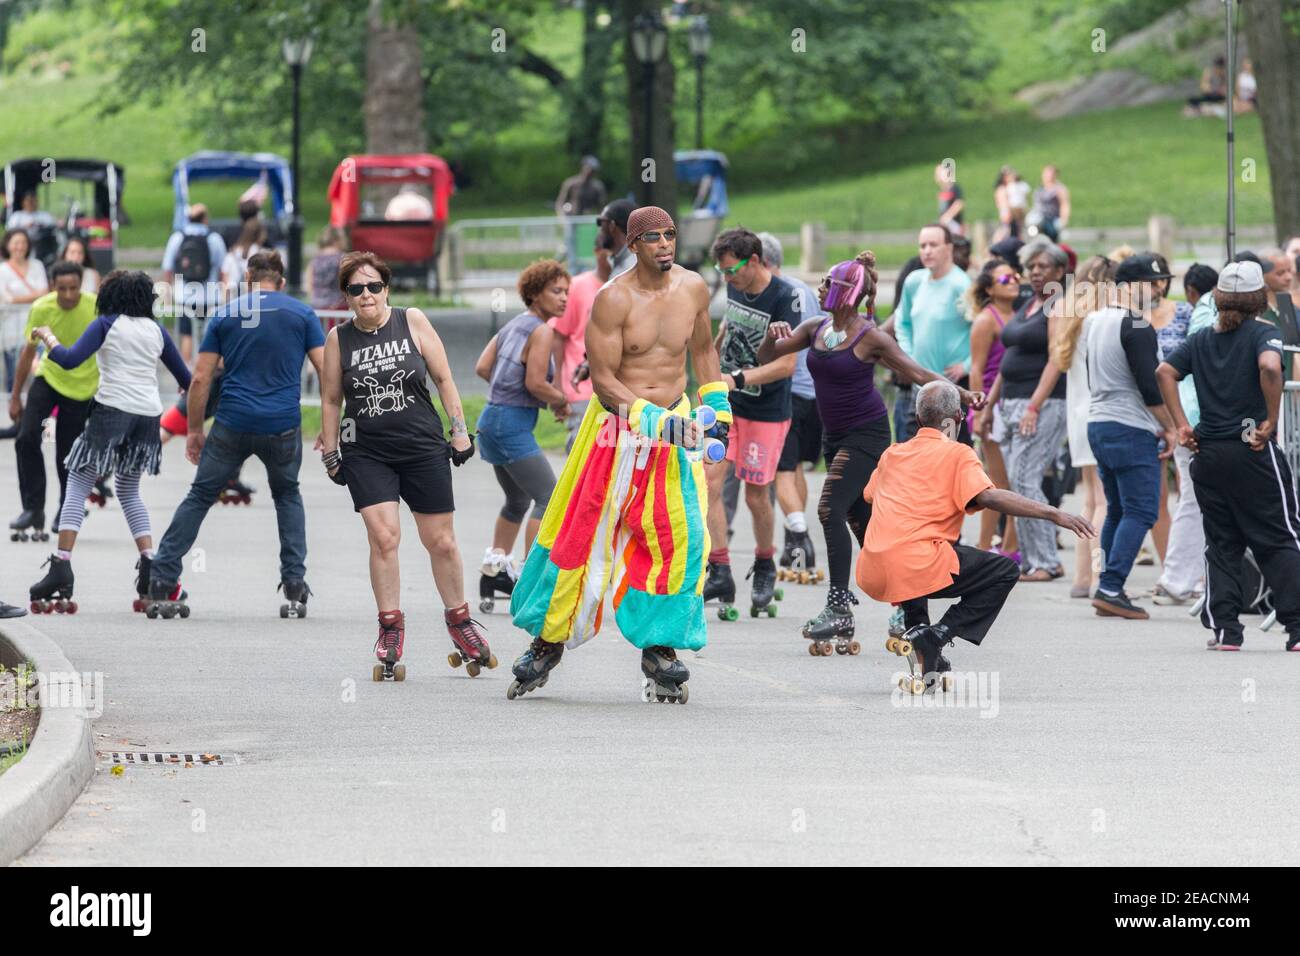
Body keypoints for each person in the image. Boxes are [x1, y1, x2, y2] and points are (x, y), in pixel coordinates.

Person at [507, 206, 731, 704]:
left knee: (682, 539)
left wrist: (718, 406)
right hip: (616, 433)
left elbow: (703, 353)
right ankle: (546, 643)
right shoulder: (612, 300)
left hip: (675, 431)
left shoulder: (694, 288)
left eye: (671, 235)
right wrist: (654, 420)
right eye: (654, 237)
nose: (666, 244)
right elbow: (606, 384)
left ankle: (661, 647)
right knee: (579, 538)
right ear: (634, 244)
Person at [758, 254, 984, 650]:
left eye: (829, 283)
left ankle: (838, 606)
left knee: (828, 508)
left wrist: (962, 394)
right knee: (865, 524)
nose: (821, 288)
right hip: (835, 437)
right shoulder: (815, 328)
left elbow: (917, 372)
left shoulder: (870, 338)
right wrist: (769, 336)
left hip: (867, 435)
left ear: (847, 292)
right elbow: (767, 357)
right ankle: (908, 602)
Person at [857, 381, 1094, 690]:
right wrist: (1054, 513)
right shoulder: (958, 454)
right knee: (1003, 570)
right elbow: (989, 497)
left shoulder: (892, 455)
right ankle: (936, 634)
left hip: (872, 569)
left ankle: (926, 651)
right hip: (915, 565)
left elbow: (870, 496)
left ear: (917, 419)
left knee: (921, 548)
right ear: (955, 418)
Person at [318, 252, 484, 680]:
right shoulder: (339, 339)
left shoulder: (411, 321)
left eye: (374, 286)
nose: (366, 295)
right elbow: (332, 399)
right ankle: (390, 628)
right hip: (366, 451)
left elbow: (444, 378)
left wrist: (459, 430)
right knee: (384, 536)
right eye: (356, 290)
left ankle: (460, 623)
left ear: (386, 289)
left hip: (422, 446)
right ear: (346, 297)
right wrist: (331, 449)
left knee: (440, 541)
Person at [149, 252, 325, 618]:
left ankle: (163, 578)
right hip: (283, 426)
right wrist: (329, 424)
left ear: (247, 277)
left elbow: (199, 379)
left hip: (233, 422)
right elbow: (327, 371)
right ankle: (294, 583)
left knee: (199, 496)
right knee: (288, 495)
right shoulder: (302, 314)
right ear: (281, 279)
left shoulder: (226, 313)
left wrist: (195, 430)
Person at [26, 271, 192, 613]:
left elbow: (69, 361)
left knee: (78, 479)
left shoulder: (106, 324)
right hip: (147, 417)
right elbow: (187, 379)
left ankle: (61, 565)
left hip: (112, 411)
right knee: (129, 490)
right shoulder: (156, 330)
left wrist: (48, 337)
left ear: (110, 297)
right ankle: (150, 568)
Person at [1156, 261, 1300, 652]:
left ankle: (1227, 631)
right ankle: (1297, 627)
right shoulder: (1264, 333)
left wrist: (1182, 425)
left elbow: (1165, 371)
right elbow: (1270, 367)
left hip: (1208, 451)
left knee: (1221, 542)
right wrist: (1270, 420)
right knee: (1279, 538)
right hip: (1251, 448)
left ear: (1217, 298)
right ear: (1259, 300)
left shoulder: (1201, 338)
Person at [706, 227, 798, 619]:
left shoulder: (785, 298)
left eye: (731, 271)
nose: (727, 278)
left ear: (755, 261)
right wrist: (709, 364)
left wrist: (739, 378)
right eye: (722, 271)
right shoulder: (734, 287)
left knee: (756, 496)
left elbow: (787, 362)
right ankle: (720, 568)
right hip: (727, 404)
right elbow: (728, 328)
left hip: (765, 410)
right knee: (708, 484)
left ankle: (764, 565)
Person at [1083, 253, 1180, 620]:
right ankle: (1110, 587)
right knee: (1140, 509)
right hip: (1130, 425)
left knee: (1117, 509)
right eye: (1151, 283)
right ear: (1126, 286)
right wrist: (1170, 427)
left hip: (1099, 422)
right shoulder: (1137, 326)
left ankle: (1107, 584)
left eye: (1160, 283)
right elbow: (1149, 388)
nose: (1158, 289)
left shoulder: (1094, 320)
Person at [473, 259, 569, 614]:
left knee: (516, 500)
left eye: (566, 293)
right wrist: (560, 400)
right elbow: (535, 383)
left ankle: (495, 570)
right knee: (549, 496)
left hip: (491, 419)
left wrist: (508, 392)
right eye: (555, 291)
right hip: (511, 424)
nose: (563, 299)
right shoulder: (541, 331)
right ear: (535, 293)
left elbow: (484, 367)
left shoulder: (513, 325)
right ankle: (533, 577)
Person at [979, 236, 1071, 581]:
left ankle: (1047, 561)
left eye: (1043, 266)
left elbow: (1057, 360)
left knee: (1025, 479)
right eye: (1031, 266)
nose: (1035, 272)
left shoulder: (1058, 306)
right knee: (1018, 482)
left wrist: (1035, 405)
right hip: (1011, 401)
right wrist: (989, 405)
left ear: (1060, 271)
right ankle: (1034, 560)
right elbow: (1008, 359)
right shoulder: (1027, 304)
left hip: (1044, 403)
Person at [8, 260, 98, 541]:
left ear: (81, 285)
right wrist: (15, 397)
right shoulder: (42, 308)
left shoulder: (95, 306)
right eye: (62, 289)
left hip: (83, 386)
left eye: (73, 288)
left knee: (67, 454)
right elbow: (27, 354)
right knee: (26, 437)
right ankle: (33, 508)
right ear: (52, 286)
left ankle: (65, 509)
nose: (69, 295)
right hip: (48, 378)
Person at [757, 231, 823, 576]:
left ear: (764, 263)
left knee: (781, 470)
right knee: (795, 466)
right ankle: (796, 534)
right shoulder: (804, 289)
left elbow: (784, 350)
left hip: (790, 389)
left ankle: (801, 544)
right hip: (813, 390)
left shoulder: (780, 295)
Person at [1151, 262, 1218, 605]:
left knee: (1193, 499)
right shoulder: (1209, 312)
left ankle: (1184, 577)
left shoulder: (1199, 311)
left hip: (1190, 417)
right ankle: (1179, 578)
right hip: (1199, 418)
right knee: (1195, 500)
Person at [1051, 254, 1115, 599]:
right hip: (1101, 410)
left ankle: (1081, 576)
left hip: (1078, 413)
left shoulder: (1069, 315)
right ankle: (1097, 576)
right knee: (1103, 500)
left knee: (1089, 499)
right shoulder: (1102, 319)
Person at [893, 223, 973, 443]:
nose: (927, 250)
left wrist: (967, 364)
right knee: (914, 453)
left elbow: (982, 328)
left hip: (952, 388)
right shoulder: (914, 282)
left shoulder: (961, 285)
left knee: (949, 456)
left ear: (949, 248)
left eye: (933, 245)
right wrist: (909, 358)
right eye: (922, 245)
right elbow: (903, 322)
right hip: (920, 387)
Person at [967, 259, 1020, 562]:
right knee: (999, 483)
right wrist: (978, 412)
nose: (1013, 281)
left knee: (1015, 481)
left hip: (1013, 403)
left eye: (1015, 276)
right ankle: (986, 548)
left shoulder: (1018, 314)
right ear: (989, 288)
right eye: (1004, 279)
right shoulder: (986, 321)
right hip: (992, 407)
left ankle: (1008, 547)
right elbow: (976, 369)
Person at [548, 231, 613, 451]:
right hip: (581, 388)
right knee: (581, 452)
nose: (612, 257)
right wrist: (557, 383)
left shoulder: (626, 288)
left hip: (615, 390)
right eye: (608, 252)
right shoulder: (578, 286)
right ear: (597, 253)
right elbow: (558, 335)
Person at [161, 203, 227, 364]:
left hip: (186, 295)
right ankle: (210, 373)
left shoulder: (178, 237)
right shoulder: (214, 238)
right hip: (210, 296)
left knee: (187, 334)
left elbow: (168, 268)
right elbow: (223, 269)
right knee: (212, 337)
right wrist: (225, 293)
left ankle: (186, 376)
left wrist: (166, 293)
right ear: (205, 218)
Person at [1, 228, 50, 390]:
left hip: (37, 329)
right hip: (11, 332)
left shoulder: (37, 266)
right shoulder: (2, 270)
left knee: (41, 372)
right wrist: (34, 296)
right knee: (14, 377)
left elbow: (45, 293)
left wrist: (16, 299)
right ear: (8, 245)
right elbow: (5, 299)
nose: (20, 247)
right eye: (16, 242)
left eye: (23, 243)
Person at [555, 156, 608, 272]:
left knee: (590, 245)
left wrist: (602, 223)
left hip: (587, 222)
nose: (590, 172)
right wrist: (562, 219)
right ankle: (570, 268)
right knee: (569, 243)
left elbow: (601, 208)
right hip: (572, 220)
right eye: (588, 168)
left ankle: (591, 268)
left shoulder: (597, 187)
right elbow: (560, 203)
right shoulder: (571, 183)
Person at [220, 200, 267, 296]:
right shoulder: (261, 253)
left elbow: (224, 277)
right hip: (253, 297)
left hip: (233, 294)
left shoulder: (232, 242)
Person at [307, 226, 348, 321]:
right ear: (337, 240)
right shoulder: (343, 259)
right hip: (339, 310)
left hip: (317, 310)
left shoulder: (314, 260)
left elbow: (309, 286)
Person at [596, 198, 636, 279]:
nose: (599, 230)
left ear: (612, 226)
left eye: (600, 222)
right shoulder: (628, 262)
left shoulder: (630, 269)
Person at [1028, 166, 1069, 241]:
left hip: (1052, 218)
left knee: (1052, 236)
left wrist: (1064, 220)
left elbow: (1064, 204)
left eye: (1049, 174)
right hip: (1039, 218)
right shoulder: (1039, 188)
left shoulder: (1059, 188)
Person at [934, 163, 965, 236]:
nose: (937, 176)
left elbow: (959, 204)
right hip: (945, 224)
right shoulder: (943, 191)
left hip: (954, 225)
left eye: (939, 173)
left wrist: (947, 216)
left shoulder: (954, 188)